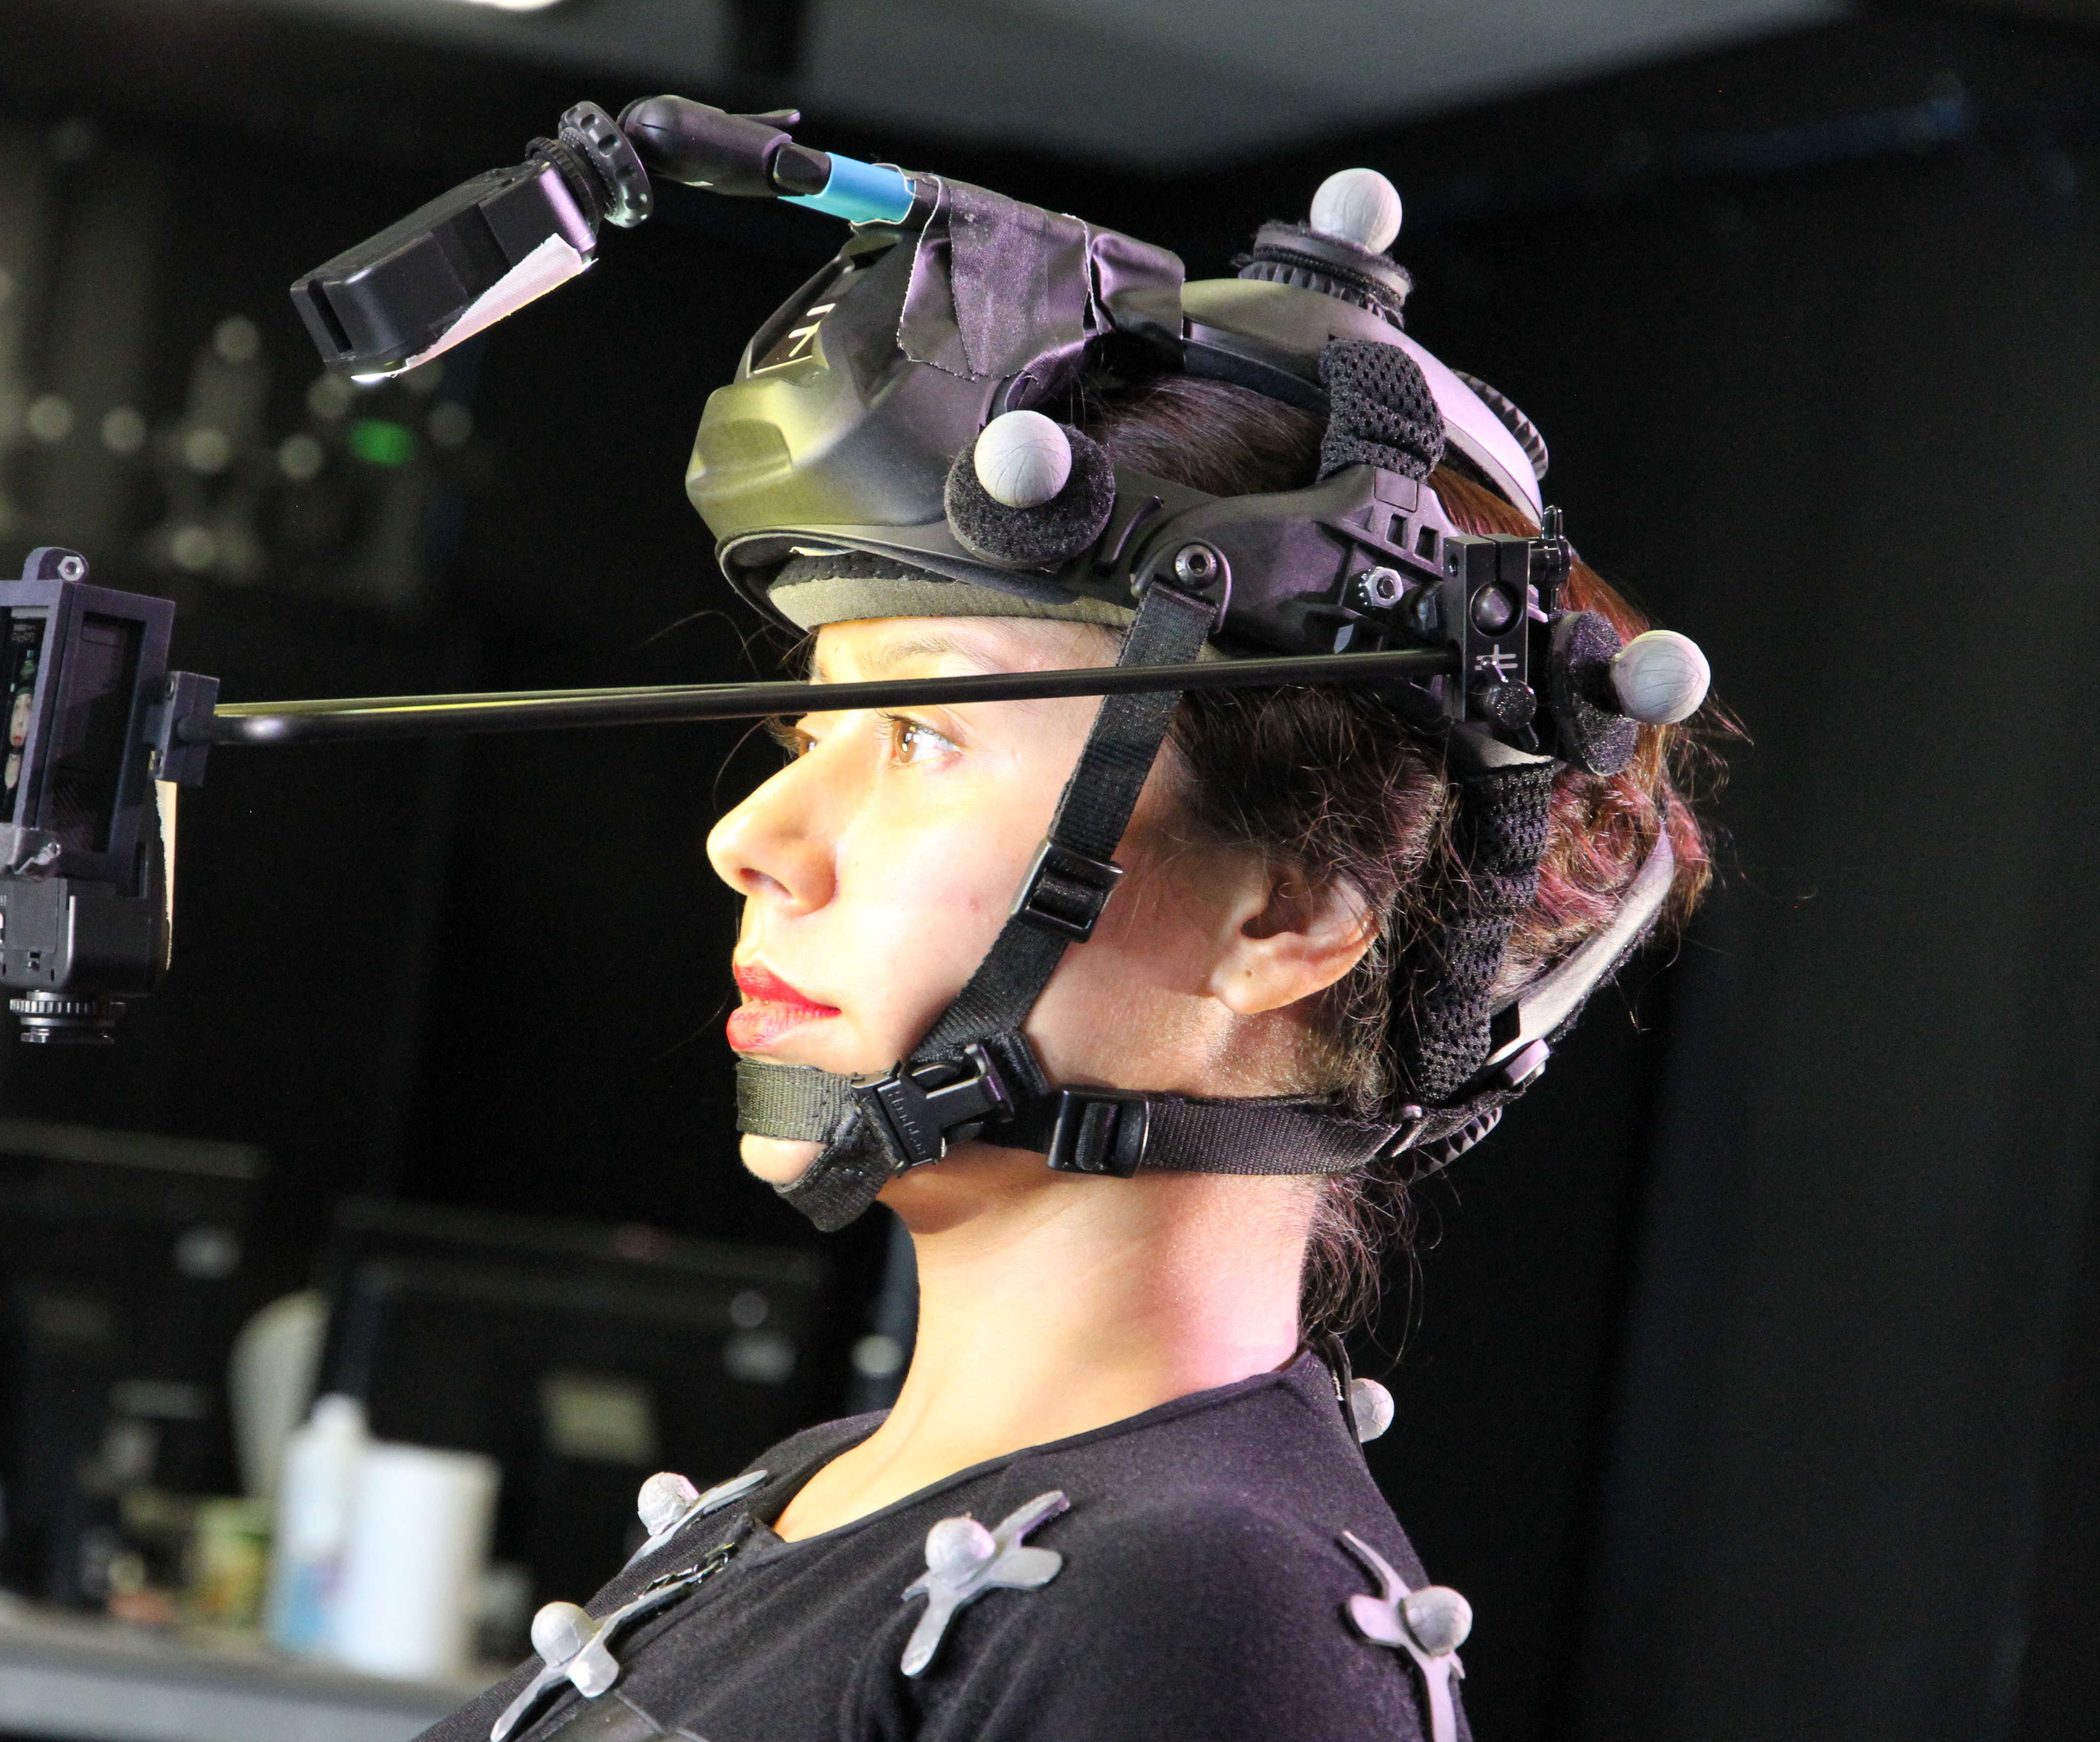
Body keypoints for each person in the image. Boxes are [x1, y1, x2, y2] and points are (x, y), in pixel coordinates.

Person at [426, 162, 1712, 1742]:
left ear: (1291, 920)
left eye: (918, 735)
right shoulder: (819, 1496)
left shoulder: (1203, 1612)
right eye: (810, 717)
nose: (754, 834)